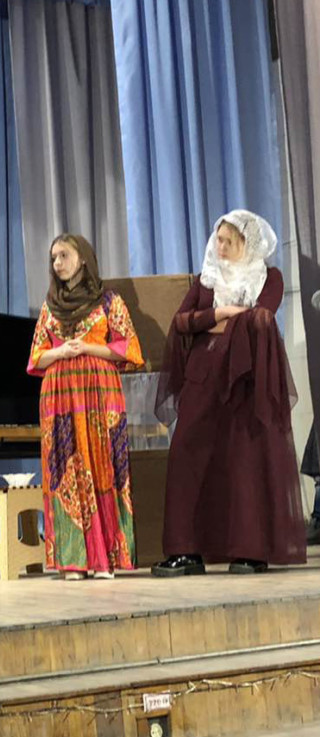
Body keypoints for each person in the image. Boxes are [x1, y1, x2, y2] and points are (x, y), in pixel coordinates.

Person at [152, 210, 305, 576]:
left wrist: (219, 321)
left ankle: (249, 549)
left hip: (246, 378)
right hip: (204, 374)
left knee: (244, 459)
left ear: (245, 243)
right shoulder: (207, 280)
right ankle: (185, 549)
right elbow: (182, 321)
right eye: (217, 239)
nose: (219, 247)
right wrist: (221, 312)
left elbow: (263, 317)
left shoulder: (269, 277)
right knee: (187, 454)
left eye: (228, 241)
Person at [27, 234, 144, 580]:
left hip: (98, 392)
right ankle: (74, 560)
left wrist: (88, 348)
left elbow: (129, 348)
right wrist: (60, 352)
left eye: (64, 255)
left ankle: (105, 557)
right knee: (66, 473)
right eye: (53, 258)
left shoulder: (108, 301)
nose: (57, 263)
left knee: (102, 466)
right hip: (59, 395)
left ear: (82, 258)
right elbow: (36, 357)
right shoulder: (50, 306)